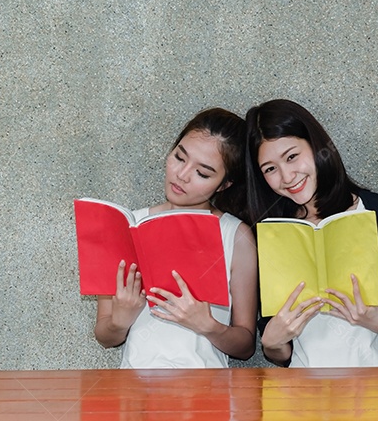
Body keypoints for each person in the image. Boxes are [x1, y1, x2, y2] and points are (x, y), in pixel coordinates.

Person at [245, 99, 378, 368]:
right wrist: (272, 344)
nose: (287, 176)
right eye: (270, 169)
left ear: (316, 147)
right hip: (303, 399)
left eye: (292, 156)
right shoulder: (269, 235)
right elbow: (279, 351)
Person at [92, 108, 258, 367]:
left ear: (225, 184)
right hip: (136, 393)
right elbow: (104, 336)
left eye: (203, 173)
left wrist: (209, 327)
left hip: (206, 393)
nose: (182, 175)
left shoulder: (235, 235)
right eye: (180, 157)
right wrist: (119, 321)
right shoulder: (127, 225)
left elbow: (246, 345)